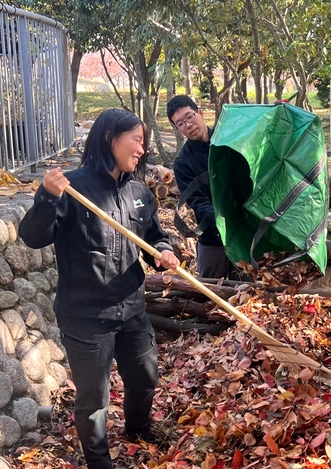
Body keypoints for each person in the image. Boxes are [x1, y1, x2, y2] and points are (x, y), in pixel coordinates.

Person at [19, 109, 180, 469]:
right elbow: (32, 237)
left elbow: (154, 236)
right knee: (94, 400)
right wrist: (46, 197)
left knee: (145, 376)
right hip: (86, 315)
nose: (142, 149)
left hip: (132, 308)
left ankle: (139, 431)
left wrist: (165, 251)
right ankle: (99, 462)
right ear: (110, 137)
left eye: (144, 142)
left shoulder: (139, 192)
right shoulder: (71, 188)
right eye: (137, 140)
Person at [167, 95, 235, 279]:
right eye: (180, 123)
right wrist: (221, 221)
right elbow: (197, 202)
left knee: (249, 293)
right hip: (212, 236)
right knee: (208, 293)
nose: (188, 125)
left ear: (200, 113)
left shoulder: (231, 142)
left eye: (189, 117)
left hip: (245, 232)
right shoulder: (183, 163)